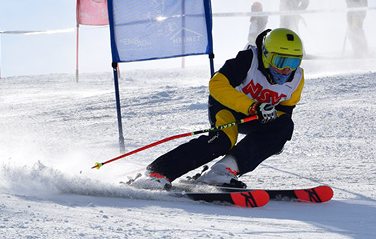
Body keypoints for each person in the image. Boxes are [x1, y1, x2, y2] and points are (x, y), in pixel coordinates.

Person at [130, 28, 305, 189]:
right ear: (266, 55)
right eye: (280, 61)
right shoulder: (248, 60)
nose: (286, 69)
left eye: (293, 62)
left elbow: (285, 111)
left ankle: (222, 171)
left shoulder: (296, 78)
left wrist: (276, 138)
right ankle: (157, 173)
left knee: (285, 125)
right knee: (223, 140)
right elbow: (217, 84)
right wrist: (251, 106)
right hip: (227, 107)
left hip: (256, 115)